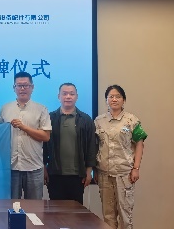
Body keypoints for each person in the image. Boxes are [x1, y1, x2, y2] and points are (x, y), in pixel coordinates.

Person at [95, 85, 147, 229]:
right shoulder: (99, 121)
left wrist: (136, 168)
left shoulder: (132, 120)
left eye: (118, 96)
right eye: (111, 97)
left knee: (125, 216)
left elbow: (139, 144)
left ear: (123, 100)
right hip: (104, 174)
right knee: (108, 217)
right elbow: (96, 147)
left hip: (124, 175)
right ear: (106, 100)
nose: (114, 99)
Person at [0, 71, 51, 200]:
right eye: (19, 85)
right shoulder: (5, 109)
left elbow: (46, 136)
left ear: (32, 87)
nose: (22, 88)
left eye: (26, 85)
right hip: (11, 167)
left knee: (34, 207)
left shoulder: (41, 109)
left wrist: (23, 127)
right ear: (14, 88)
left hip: (34, 167)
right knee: (11, 206)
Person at [43, 82, 97, 204]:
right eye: (65, 94)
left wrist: (89, 171)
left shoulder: (85, 119)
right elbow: (44, 146)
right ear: (59, 96)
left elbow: (91, 146)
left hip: (78, 175)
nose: (68, 97)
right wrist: (44, 168)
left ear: (76, 97)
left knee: (75, 211)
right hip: (55, 174)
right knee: (56, 210)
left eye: (71, 94)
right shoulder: (50, 118)